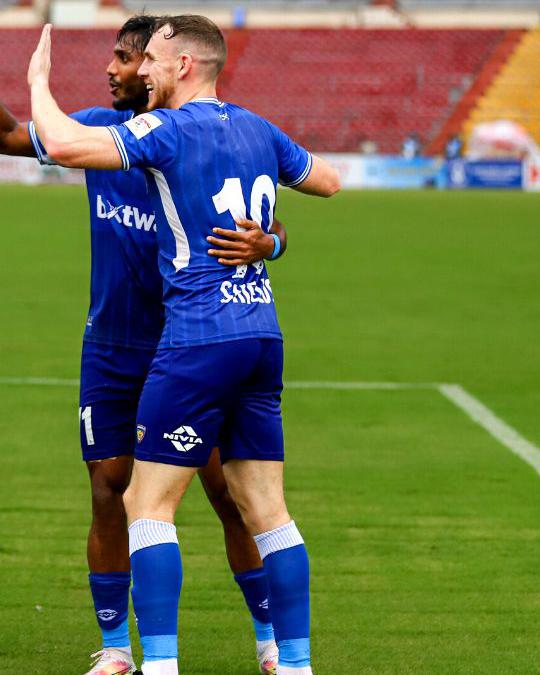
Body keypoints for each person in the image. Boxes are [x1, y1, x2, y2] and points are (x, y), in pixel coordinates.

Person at [0, 3, 286, 673]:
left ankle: (269, 639)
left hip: (190, 344)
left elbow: (268, 222)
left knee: (228, 492)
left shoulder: (206, 138)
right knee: (109, 490)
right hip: (111, 346)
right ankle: (116, 649)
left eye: (124, 58)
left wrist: (272, 242)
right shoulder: (97, 130)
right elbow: (5, 136)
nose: (111, 69)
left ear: (160, 67)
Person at [27, 15, 340, 675]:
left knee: (146, 505)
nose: (143, 70)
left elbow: (60, 143)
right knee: (269, 511)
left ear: (185, 66)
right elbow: (329, 181)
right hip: (261, 332)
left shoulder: (167, 129)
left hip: (198, 339)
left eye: (153, 60)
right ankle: (296, 664)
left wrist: (37, 80)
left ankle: (161, 665)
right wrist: (270, 242)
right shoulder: (259, 128)